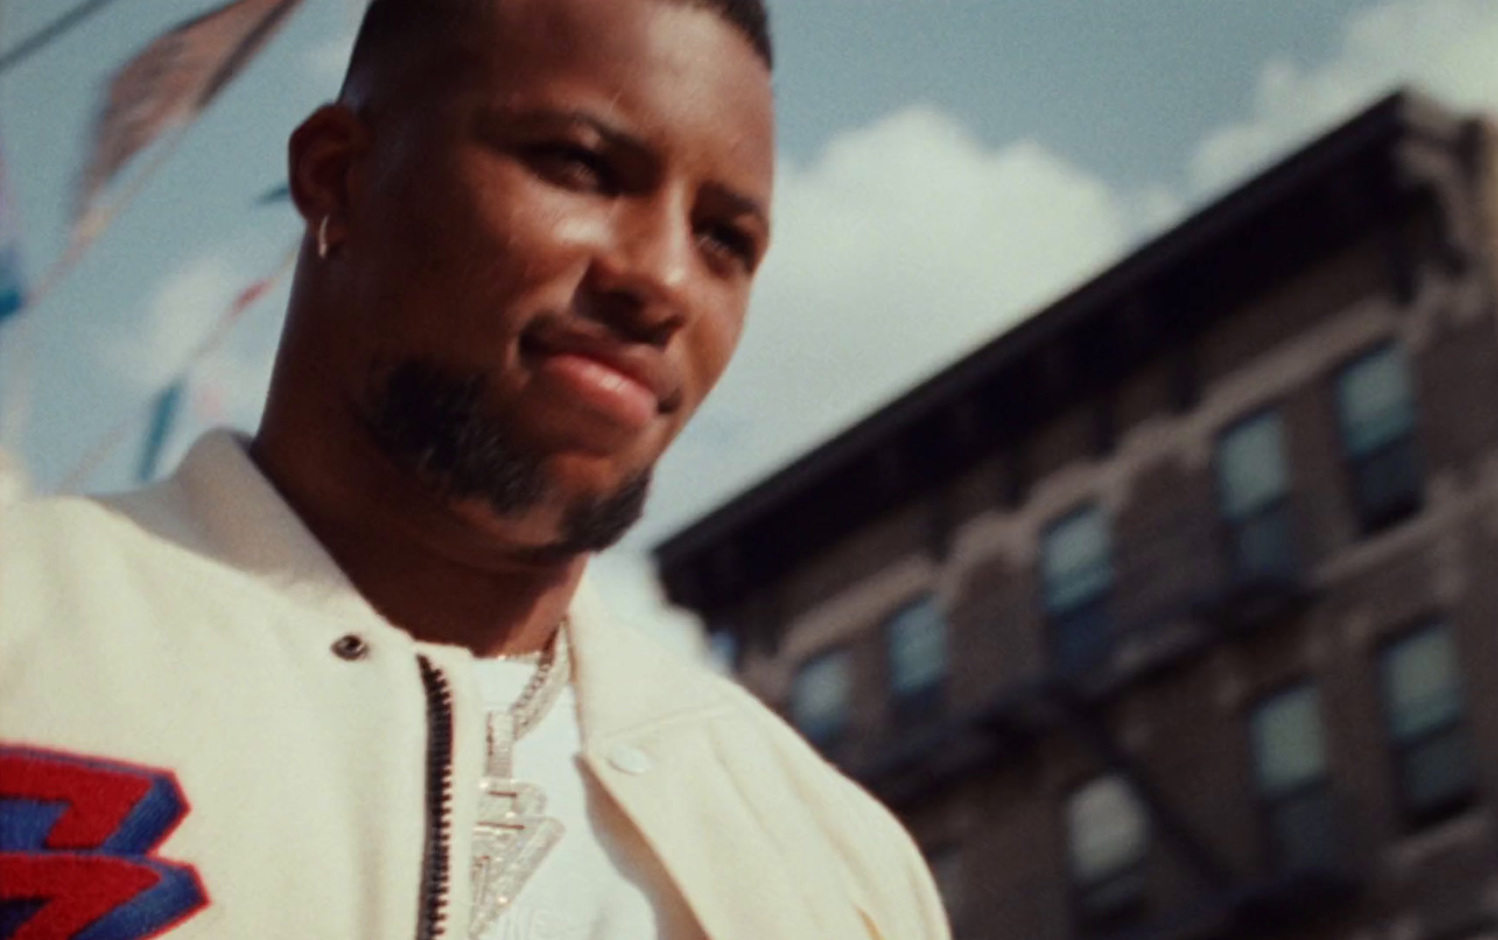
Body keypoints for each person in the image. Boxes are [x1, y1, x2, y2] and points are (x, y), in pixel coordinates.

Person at [0, 0, 952, 937]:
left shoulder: (842, 871)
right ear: (338, 178)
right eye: (580, 165)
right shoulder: (30, 618)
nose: (663, 279)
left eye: (724, 241)